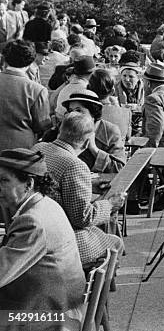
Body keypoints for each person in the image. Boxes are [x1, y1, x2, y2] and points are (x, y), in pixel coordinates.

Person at [0, 148, 86, 320]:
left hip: (49, 316)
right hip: (60, 302)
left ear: (29, 184)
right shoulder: (45, 203)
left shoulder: (32, 222)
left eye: (4, 180)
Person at [33, 112, 125, 264]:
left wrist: (90, 184)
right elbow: (82, 218)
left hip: (37, 231)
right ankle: (97, 284)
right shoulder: (74, 165)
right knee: (116, 243)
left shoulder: (39, 148)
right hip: (63, 241)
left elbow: (55, 185)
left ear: (60, 130)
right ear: (88, 141)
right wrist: (110, 205)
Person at [0, 40, 52, 151]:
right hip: (21, 150)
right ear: (31, 60)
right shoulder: (37, 90)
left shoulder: (37, 89)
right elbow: (42, 125)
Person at [54, 56, 96, 121]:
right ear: (92, 74)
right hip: (78, 126)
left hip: (63, 125)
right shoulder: (87, 90)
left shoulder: (65, 88)